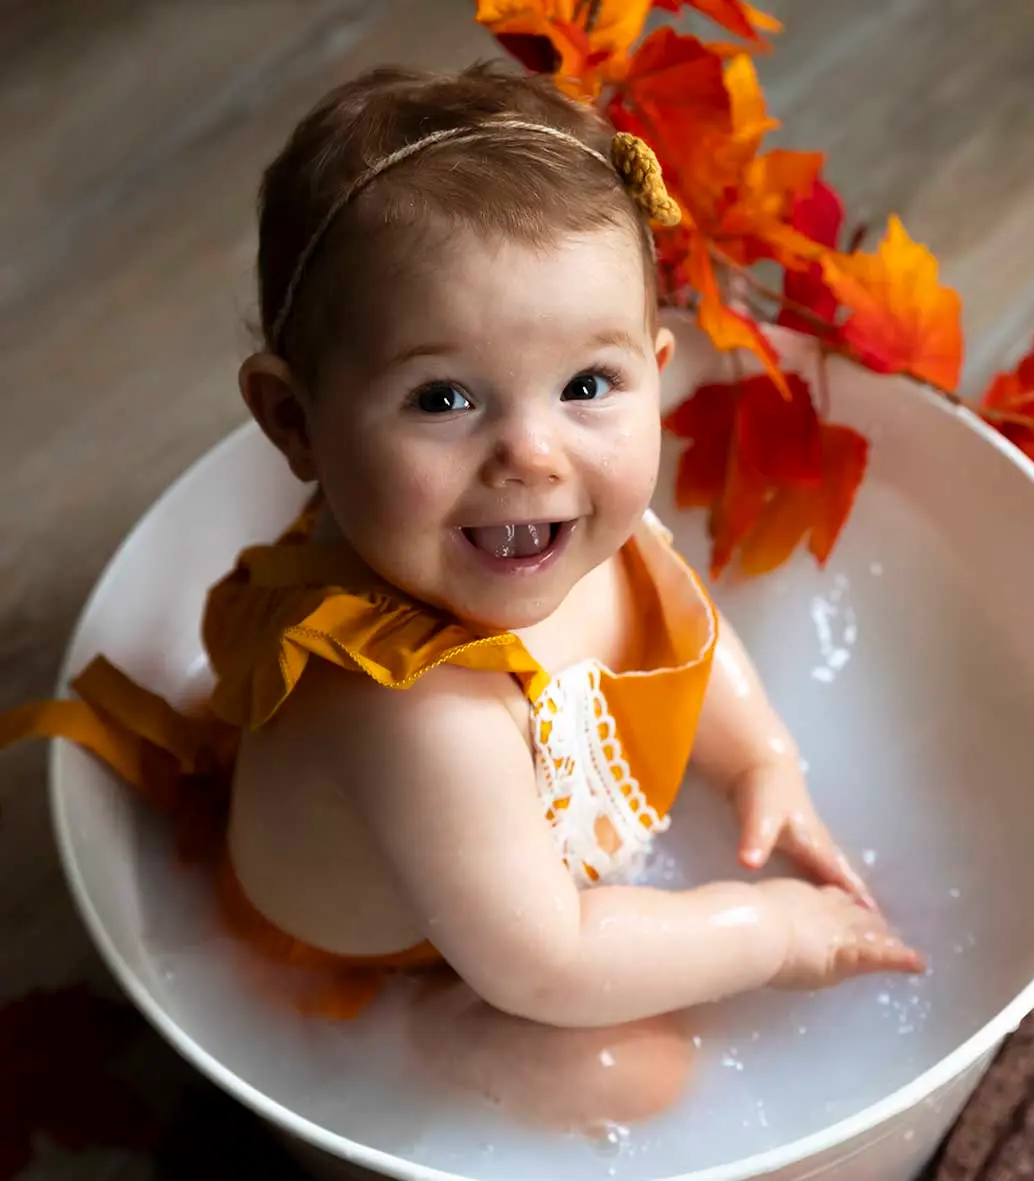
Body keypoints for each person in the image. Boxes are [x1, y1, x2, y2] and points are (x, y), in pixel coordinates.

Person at [0, 62, 922, 1031]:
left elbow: (679, 625)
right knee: (644, 1077)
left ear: (654, 373)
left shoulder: (551, 529)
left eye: (585, 384)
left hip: (497, 907)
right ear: (295, 421)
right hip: (418, 958)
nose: (532, 453)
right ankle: (423, 1057)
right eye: (442, 397)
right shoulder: (419, 714)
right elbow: (549, 967)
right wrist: (765, 930)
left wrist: (758, 757)